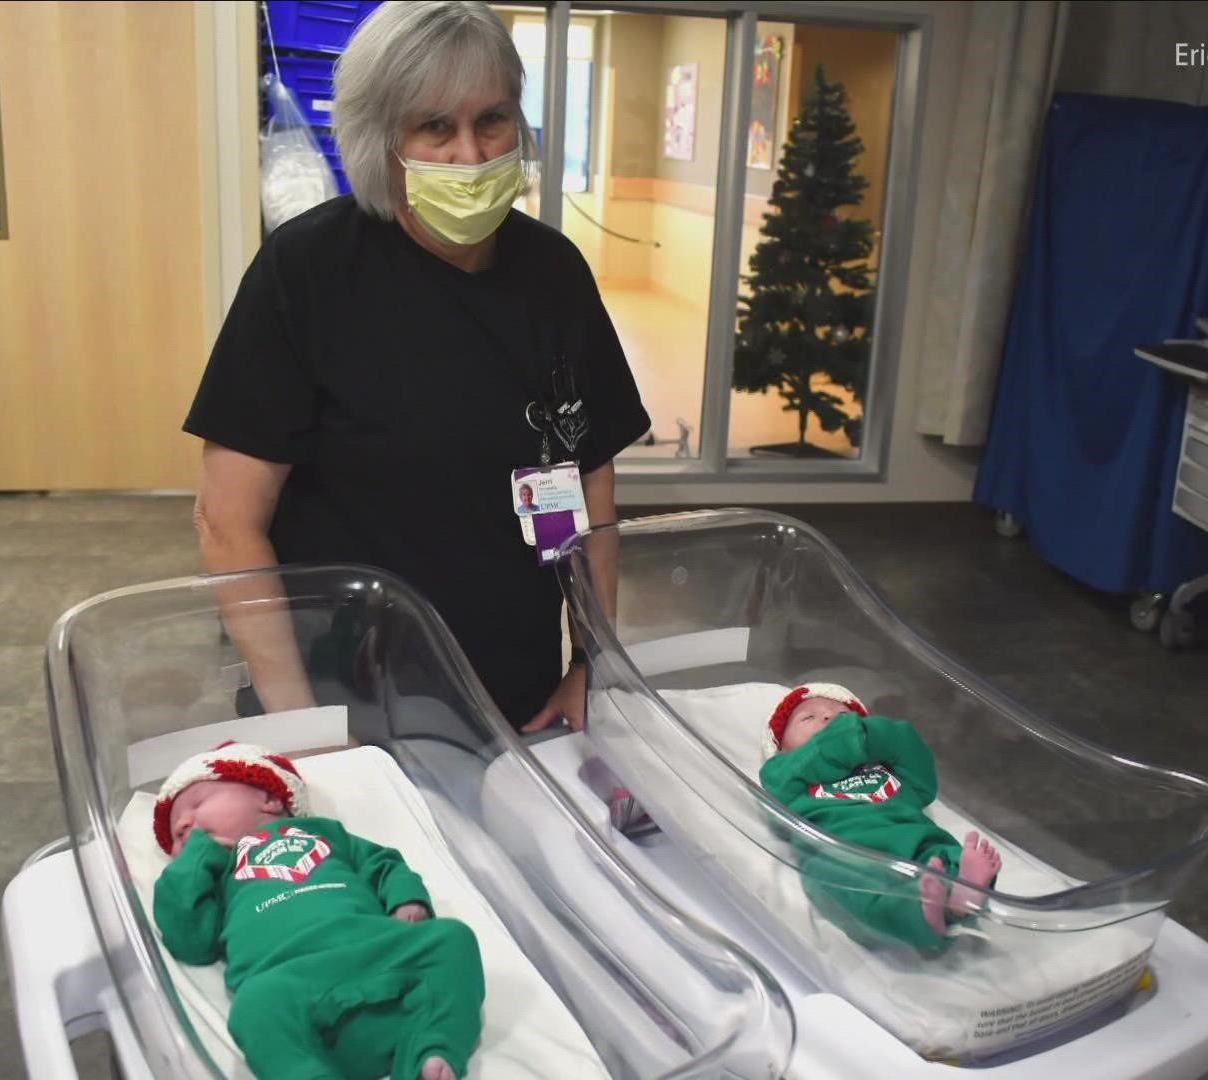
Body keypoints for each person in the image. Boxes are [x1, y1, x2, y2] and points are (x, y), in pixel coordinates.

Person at [185, 1, 648, 732]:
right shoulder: (306, 273)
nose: (470, 154)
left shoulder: (552, 273)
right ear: (381, 139)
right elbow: (227, 523)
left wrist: (593, 665)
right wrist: (302, 728)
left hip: (517, 694)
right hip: (348, 699)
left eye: (490, 119)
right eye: (436, 127)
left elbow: (589, 483)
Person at [152, 742, 485, 1080]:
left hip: (378, 957)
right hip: (294, 985)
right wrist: (193, 861)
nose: (184, 825)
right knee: (254, 1007)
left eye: (197, 803)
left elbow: (383, 863)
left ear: (270, 797)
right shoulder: (214, 874)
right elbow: (190, 940)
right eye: (177, 834)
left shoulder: (326, 833)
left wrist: (406, 900)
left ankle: (430, 1050)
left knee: (453, 939)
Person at [758, 684, 1003, 952]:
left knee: (948, 855)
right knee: (839, 886)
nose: (827, 718)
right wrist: (846, 735)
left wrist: (867, 736)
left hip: (912, 837)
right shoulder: (784, 774)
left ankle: (958, 899)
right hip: (841, 852)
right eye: (808, 717)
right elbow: (780, 799)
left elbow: (910, 750)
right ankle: (920, 914)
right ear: (780, 747)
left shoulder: (888, 768)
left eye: (840, 715)